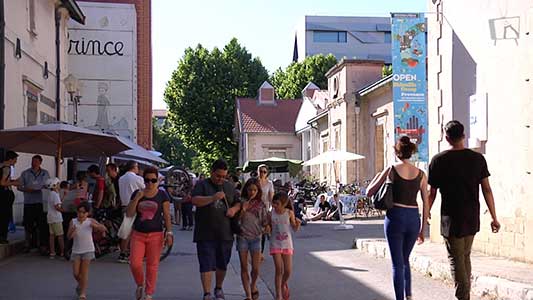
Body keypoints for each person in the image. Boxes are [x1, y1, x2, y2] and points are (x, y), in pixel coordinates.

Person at [428, 121, 500, 300]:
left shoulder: (438, 160)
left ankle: (463, 296)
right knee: (465, 256)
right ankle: (465, 293)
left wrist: (426, 212)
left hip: (450, 219)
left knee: (456, 259)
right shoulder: (477, 159)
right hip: (471, 216)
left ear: (446, 138)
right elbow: (487, 189)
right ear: (463, 135)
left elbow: (432, 193)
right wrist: (494, 217)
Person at [366, 136, 430, 300]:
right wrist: (422, 229)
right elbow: (426, 202)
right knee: (405, 259)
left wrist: (378, 176)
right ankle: (409, 295)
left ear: (397, 152)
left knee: (397, 263)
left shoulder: (391, 169)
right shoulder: (421, 174)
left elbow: (369, 192)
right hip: (413, 217)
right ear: (411, 153)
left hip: (395, 216)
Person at [191, 159, 241, 300]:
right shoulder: (202, 185)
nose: (221, 179)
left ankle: (218, 288)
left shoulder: (229, 186)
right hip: (205, 232)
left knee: (222, 263)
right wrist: (212, 198)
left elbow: (238, 202)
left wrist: (233, 209)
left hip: (225, 233)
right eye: (218, 176)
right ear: (212, 172)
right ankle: (207, 293)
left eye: (224, 176)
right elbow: (195, 200)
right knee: (206, 263)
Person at [126, 166, 173, 300]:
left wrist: (169, 233)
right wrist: (137, 199)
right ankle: (140, 284)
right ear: (143, 180)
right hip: (138, 233)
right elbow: (129, 213)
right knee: (134, 263)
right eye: (147, 180)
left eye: (153, 180)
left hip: (156, 235)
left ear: (157, 180)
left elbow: (167, 215)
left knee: (152, 266)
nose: (150, 183)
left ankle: (149, 293)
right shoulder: (137, 193)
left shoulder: (162, 194)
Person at [237, 178, 270, 300]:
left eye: (255, 190)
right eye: (250, 189)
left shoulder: (261, 204)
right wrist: (243, 210)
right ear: (246, 189)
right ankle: (248, 295)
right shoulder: (241, 202)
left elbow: (265, 221)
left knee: (256, 269)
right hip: (242, 237)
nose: (252, 192)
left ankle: (253, 284)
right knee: (244, 266)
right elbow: (236, 220)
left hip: (256, 237)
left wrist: (267, 226)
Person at [67, 202, 107, 300]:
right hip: (76, 250)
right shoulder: (73, 221)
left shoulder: (90, 221)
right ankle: (81, 285)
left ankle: (83, 293)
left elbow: (104, 229)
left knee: (84, 272)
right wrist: (72, 231)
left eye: (83, 212)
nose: (81, 214)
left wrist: (97, 226)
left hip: (88, 250)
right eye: (79, 212)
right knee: (76, 273)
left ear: (87, 213)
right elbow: (68, 237)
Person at [269, 192, 300, 300]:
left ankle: (283, 284)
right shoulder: (271, 213)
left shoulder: (289, 213)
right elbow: (268, 228)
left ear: (284, 203)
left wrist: (298, 224)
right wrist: (266, 229)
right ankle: (278, 294)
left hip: (287, 244)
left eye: (277, 204)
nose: (274, 206)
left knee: (288, 270)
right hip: (275, 243)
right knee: (279, 269)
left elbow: (295, 229)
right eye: (273, 203)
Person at [19, 155, 50, 253]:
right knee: (28, 225)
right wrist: (27, 189)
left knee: (42, 225)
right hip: (29, 202)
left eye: (36, 161)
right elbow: (19, 186)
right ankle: (27, 244)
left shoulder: (45, 173)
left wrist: (45, 188)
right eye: (33, 161)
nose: (34, 163)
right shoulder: (25, 173)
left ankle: (42, 246)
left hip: (41, 202)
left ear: (40, 162)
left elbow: (49, 185)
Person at [118, 160, 145, 263]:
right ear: (134, 167)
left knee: (126, 229)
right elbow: (145, 189)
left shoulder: (121, 178)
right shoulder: (137, 178)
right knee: (129, 231)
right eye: (137, 167)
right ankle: (123, 253)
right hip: (133, 206)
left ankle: (126, 251)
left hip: (124, 205)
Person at [0, 151, 19, 244]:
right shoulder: (7, 168)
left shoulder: (1, 166)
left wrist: (12, 180)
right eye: (15, 160)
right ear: (10, 159)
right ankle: (2, 236)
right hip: (5, 193)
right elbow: (3, 182)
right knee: (5, 215)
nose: (15, 162)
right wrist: (14, 183)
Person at [257, 164, 274, 258]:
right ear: (257, 172)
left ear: (267, 173)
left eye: (264, 172)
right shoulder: (255, 182)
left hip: (265, 209)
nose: (262, 173)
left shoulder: (269, 183)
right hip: (255, 209)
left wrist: (272, 209)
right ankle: (256, 251)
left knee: (263, 231)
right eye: (260, 171)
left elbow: (271, 197)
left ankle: (261, 252)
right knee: (256, 230)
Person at [45, 177, 65, 259]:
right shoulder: (55, 195)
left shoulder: (50, 194)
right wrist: (63, 210)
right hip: (56, 217)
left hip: (50, 217)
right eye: (57, 184)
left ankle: (52, 252)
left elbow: (58, 202)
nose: (59, 185)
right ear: (54, 185)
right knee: (60, 235)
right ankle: (63, 252)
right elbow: (57, 206)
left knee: (52, 236)